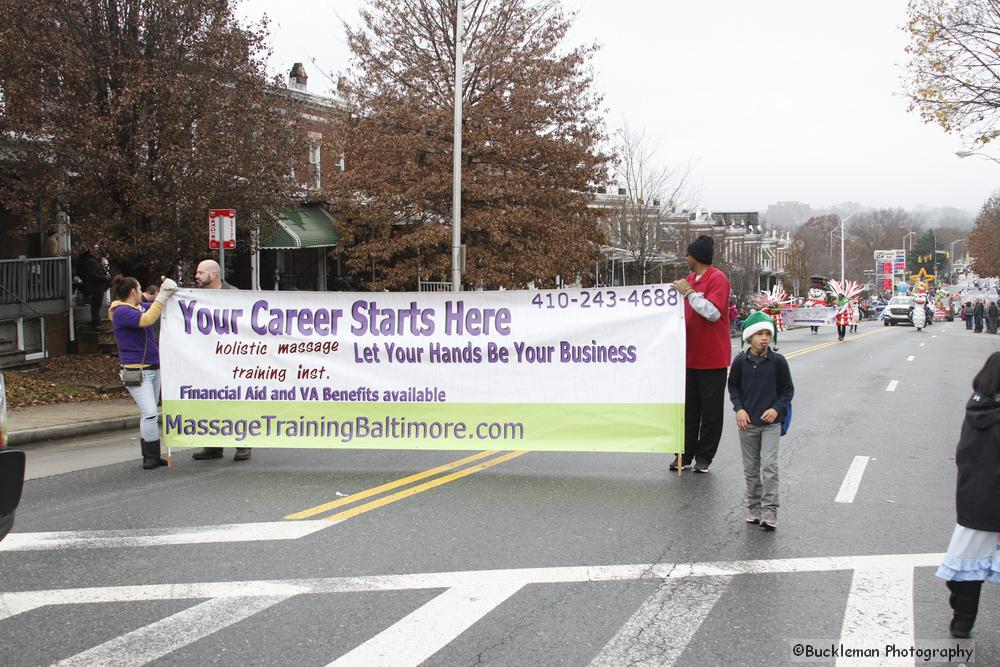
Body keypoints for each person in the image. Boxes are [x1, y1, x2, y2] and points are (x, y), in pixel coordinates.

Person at [935, 352, 1000, 638]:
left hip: (975, 501)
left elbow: (965, 455)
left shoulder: (976, 411)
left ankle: (962, 621)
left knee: (966, 565)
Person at [670, 235, 731, 474]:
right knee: (688, 411)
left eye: (688, 254)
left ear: (695, 257)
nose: (686, 258)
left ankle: (704, 456)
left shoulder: (718, 279)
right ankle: (683, 454)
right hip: (688, 357)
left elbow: (713, 312)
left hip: (712, 358)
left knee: (711, 411)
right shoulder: (688, 280)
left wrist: (689, 294)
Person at [728, 311, 794, 530]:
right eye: (759, 333)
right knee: (751, 467)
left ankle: (769, 510)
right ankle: (754, 507)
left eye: (768, 333)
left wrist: (776, 410)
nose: (764, 337)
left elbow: (787, 391)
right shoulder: (739, 362)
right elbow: (733, 388)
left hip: (771, 425)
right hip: (747, 424)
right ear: (749, 338)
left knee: (769, 466)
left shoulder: (778, 362)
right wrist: (739, 410)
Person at [108, 274, 178, 469]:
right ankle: (150, 456)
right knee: (149, 413)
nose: (141, 293)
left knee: (151, 412)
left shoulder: (138, 307)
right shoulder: (121, 311)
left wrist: (171, 293)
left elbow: (158, 309)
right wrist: (162, 294)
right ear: (133, 292)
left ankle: (153, 454)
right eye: (139, 290)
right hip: (136, 371)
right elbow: (147, 319)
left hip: (154, 368)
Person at [190, 259, 252, 462]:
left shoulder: (233, 295)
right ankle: (213, 446)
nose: (196, 276)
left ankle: (242, 444)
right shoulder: (194, 296)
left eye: (200, 272)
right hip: (206, 359)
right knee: (209, 402)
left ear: (213, 275)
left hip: (231, 359)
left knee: (234, 401)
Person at [77, 244, 110, 329]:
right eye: (96, 249)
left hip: (98, 287)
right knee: (96, 306)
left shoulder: (96, 261)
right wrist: (104, 277)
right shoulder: (91, 261)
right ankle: (96, 324)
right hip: (96, 287)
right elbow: (93, 275)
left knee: (97, 305)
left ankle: (97, 323)